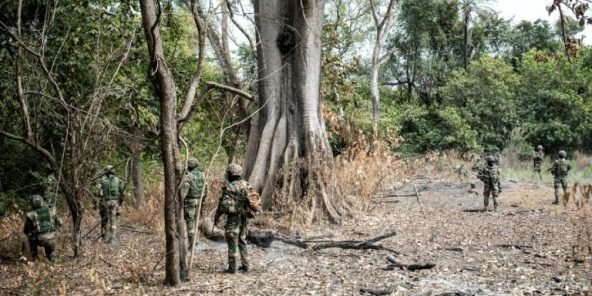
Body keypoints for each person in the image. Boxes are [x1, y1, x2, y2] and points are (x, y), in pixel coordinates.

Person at [214, 164, 253, 274]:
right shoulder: (246, 184)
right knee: (242, 240)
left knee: (232, 241)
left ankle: (233, 268)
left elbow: (224, 205)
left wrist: (217, 216)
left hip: (234, 219)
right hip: (244, 218)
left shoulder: (230, 186)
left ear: (231, 173)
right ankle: (246, 266)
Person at [24, 195, 62, 262]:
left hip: (40, 240)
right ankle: (52, 257)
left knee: (31, 238)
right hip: (52, 238)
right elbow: (60, 223)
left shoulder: (30, 215)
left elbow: (26, 231)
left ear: (32, 204)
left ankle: (35, 257)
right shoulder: (51, 211)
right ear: (42, 202)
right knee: (50, 247)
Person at [181, 157, 206, 251]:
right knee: (196, 221)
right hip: (199, 200)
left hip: (190, 202)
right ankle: (196, 241)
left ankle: (192, 245)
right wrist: (203, 199)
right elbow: (205, 189)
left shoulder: (188, 176)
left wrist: (180, 200)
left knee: (190, 223)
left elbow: (184, 192)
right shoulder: (202, 175)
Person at [97, 165, 124, 243]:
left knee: (104, 219)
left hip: (104, 201)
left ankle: (104, 236)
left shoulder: (102, 180)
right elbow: (122, 192)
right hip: (114, 202)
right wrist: (120, 203)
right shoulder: (118, 180)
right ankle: (112, 237)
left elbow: (98, 192)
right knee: (113, 219)